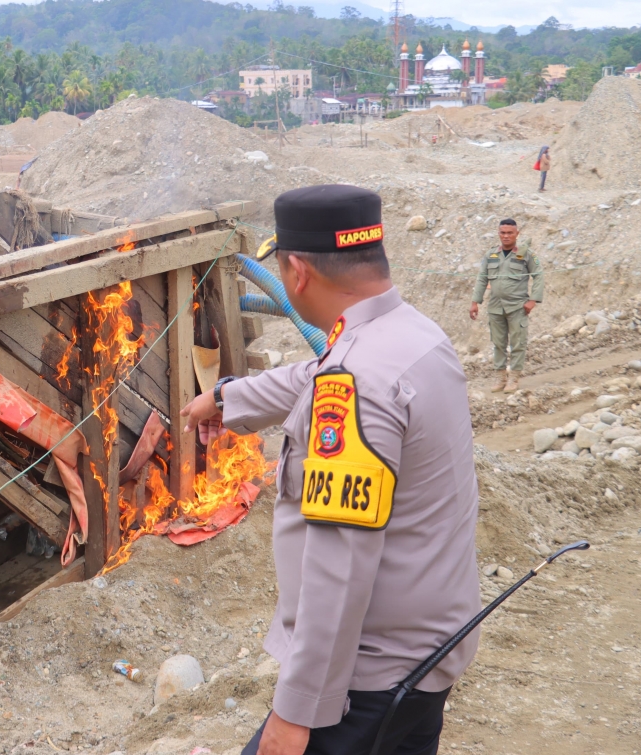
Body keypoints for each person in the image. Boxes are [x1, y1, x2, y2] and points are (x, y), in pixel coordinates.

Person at [181, 185, 481, 755]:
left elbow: (339, 563)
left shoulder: (358, 382)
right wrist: (226, 398)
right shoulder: (411, 335)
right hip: (428, 653)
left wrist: (296, 712)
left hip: (367, 682)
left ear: (296, 272)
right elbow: (314, 374)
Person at [469, 219, 543, 393]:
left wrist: (533, 301)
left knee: (518, 343)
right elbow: (482, 278)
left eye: (510, 232)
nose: (506, 236)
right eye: (503, 232)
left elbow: (538, 275)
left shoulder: (526, 254)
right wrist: (475, 302)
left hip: (518, 306)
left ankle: (514, 379)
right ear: (498, 233)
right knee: (498, 343)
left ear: (517, 234)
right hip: (495, 307)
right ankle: (500, 378)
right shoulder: (491, 255)